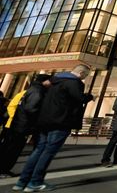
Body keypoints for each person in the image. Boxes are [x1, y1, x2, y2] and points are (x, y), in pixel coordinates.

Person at [14, 64, 94, 192]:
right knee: (48, 152)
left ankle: (22, 182)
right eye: (85, 75)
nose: (84, 78)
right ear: (81, 73)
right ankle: (35, 182)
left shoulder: (54, 81)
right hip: (61, 121)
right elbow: (79, 99)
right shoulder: (74, 82)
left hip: (44, 120)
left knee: (38, 150)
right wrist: (89, 96)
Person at [0, 74, 51, 178]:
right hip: (20, 125)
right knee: (11, 149)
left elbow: (12, 106)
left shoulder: (25, 92)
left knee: (6, 147)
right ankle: (3, 170)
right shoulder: (37, 92)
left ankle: (3, 169)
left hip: (13, 123)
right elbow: (29, 109)